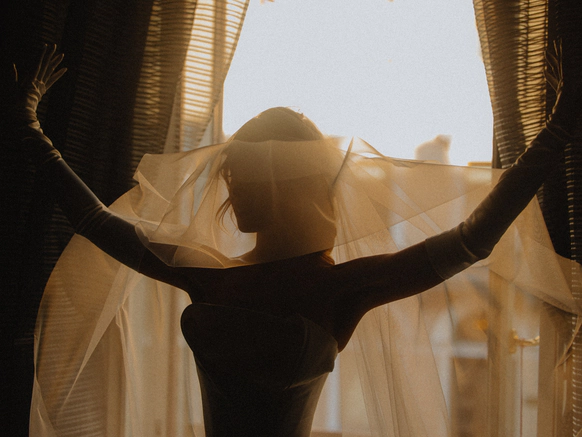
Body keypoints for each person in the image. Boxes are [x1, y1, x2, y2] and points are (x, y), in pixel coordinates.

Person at [13, 45, 580, 436]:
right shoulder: (205, 270)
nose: (231, 193)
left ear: (288, 186)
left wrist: (557, 130)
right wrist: (30, 129)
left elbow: (472, 240)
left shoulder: (341, 287)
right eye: (230, 177)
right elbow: (94, 221)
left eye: (243, 178)